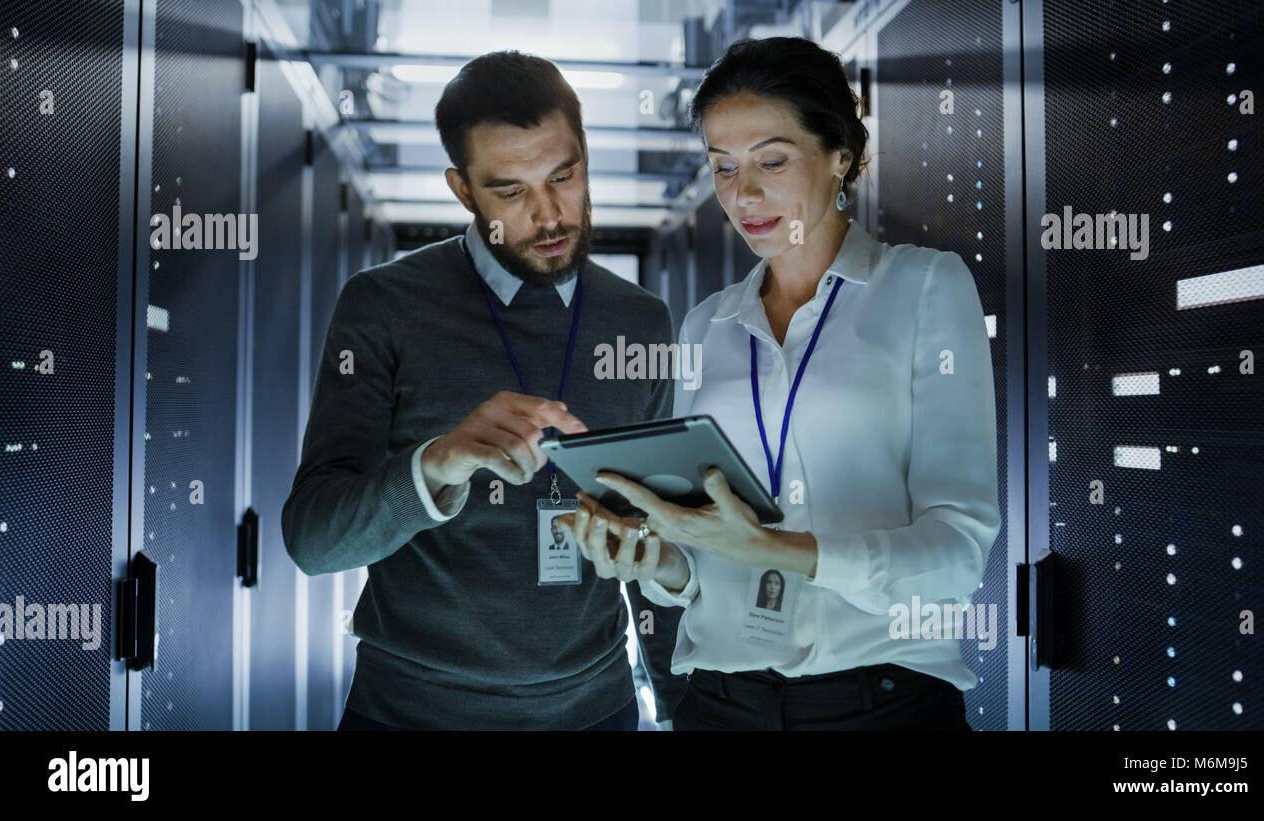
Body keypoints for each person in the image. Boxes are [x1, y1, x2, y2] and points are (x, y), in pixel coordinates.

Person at [557, 36, 1000, 731]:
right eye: (723, 166)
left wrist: (777, 550)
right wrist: (657, 560)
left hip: (879, 704)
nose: (744, 193)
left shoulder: (923, 288)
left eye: (772, 159)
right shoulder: (706, 327)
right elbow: (697, 571)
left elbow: (957, 554)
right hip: (720, 704)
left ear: (840, 157)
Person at [282, 50, 685, 730]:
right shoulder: (382, 306)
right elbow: (315, 539)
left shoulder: (640, 322)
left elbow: (664, 539)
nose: (551, 214)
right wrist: (437, 462)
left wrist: (682, 711)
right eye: (511, 192)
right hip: (409, 713)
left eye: (565, 175)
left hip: (596, 710)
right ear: (463, 191)